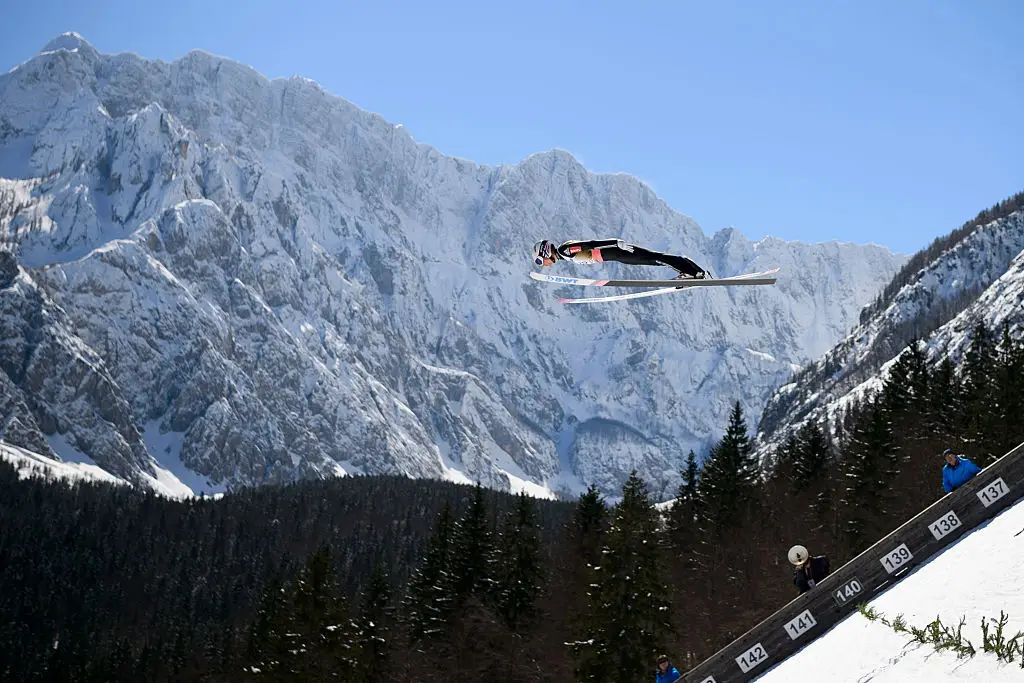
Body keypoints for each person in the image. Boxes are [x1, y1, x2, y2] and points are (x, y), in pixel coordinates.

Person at [532, 238, 709, 279]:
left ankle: (691, 273)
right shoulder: (565, 255)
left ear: (545, 252)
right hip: (617, 256)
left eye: (540, 260)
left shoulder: (565, 250)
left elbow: (590, 244)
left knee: (656, 259)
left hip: (617, 252)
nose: (542, 264)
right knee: (655, 259)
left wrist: (615, 243)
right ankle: (696, 272)